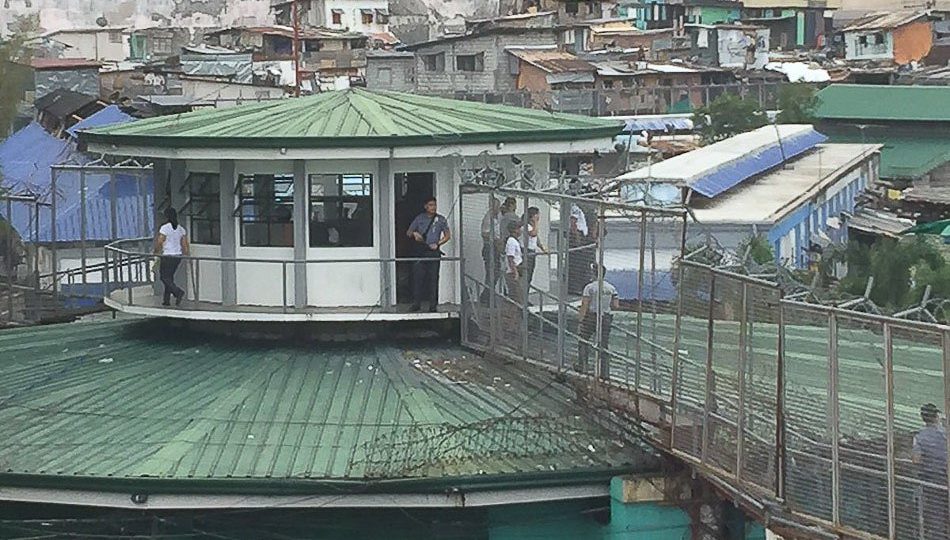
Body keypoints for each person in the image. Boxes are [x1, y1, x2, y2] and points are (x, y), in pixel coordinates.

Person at [406, 197, 451, 312]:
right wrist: (415, 234)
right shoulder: (419, 218)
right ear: (426, 206)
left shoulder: (441, 219)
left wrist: (437, 243)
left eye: (435, 205)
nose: (433, 207)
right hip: (420, 251)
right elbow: (409, 232)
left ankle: (433, 305)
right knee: (418, 278)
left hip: (434, 252)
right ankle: (416, 303)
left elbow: (447, 236)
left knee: (433, 278)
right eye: (431, 205)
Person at [913, 403, 948, 540]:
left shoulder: (920, 436)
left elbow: (916, 459)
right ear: (936, 417)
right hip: (945, 475)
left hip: (932, 478)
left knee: (936, 513)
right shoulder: (944, 434)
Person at [576, 264, 619, 378]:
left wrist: (580, 320)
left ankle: (583, 366)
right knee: (603, 345)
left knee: (583, 340)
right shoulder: (611, 288)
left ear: (593, 273)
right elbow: (615, 305)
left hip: (591, 316)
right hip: (605, 317)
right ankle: (604, 372)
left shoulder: (589, 287)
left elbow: (585, 305)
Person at [153, 207, 189, 307]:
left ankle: (178, 292)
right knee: (169, 278)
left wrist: (156, 251)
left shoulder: (165, 228)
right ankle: (166, 300)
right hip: (177, 256)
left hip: (167, 256)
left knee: (164, 277)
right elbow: (184, 244)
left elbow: (160, 241)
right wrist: (186, 254)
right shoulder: (181, 229)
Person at [503, 220, 524, 342]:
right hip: (512, 274)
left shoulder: (515, 241)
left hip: (515, 272)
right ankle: (510, 326)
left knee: (516, 300)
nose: (520, 230)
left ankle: (513, 325)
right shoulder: (511, 241)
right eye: (519, 228)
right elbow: (510, 258)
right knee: (516, 300)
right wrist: (515, 272)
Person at [480, 196, 501, 303]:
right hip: (490, 247)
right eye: (497, 206)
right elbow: (484, 234)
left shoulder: (496, 217)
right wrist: (495, 239)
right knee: (492, 272)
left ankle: (487, 294)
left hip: (495, 247)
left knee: (496, 272)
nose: (498, 208)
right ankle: (487, 297)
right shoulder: (488, 218)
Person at [523, 206, 546, 290]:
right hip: (526, 252)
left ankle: (525, 296)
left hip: (532, 252)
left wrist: (543, 248)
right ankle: (522, 298)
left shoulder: (532, 226)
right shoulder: (526, 225)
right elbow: (533, 234)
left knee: (529, 276)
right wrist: (536, 222)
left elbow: (536, 239)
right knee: (526, 276)